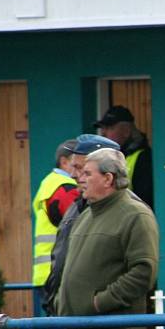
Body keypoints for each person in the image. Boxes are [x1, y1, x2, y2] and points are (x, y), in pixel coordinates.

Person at [54, 148, 159, 329]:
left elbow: (144, 272)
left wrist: (99, 302)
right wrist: (62, 301)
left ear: (108, 179)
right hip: (76, 328)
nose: (79, 178)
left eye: (87, 173)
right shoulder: (84, 215)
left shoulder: (135, 215)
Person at [42, 134, 121, 319]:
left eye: (81, 169)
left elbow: (139, 270)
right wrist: (56, 302)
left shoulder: (127, 211)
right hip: (64, 313)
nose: (73, 175)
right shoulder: (77, 206)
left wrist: (96, 303)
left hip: (98, 319)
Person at [32, 139, 77, 288]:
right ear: (64, 162)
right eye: (77, 163)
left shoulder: (49, 183)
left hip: (46, 272)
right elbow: (78, 226)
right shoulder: (66, 189)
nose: (81, 170)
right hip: (59, 272)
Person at [94, 105, 154, 210]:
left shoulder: (143, 158)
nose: (103, 133)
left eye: (110, 128)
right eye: (103, 129)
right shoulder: (109, 158)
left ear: (126, 131)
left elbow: (145, 200)